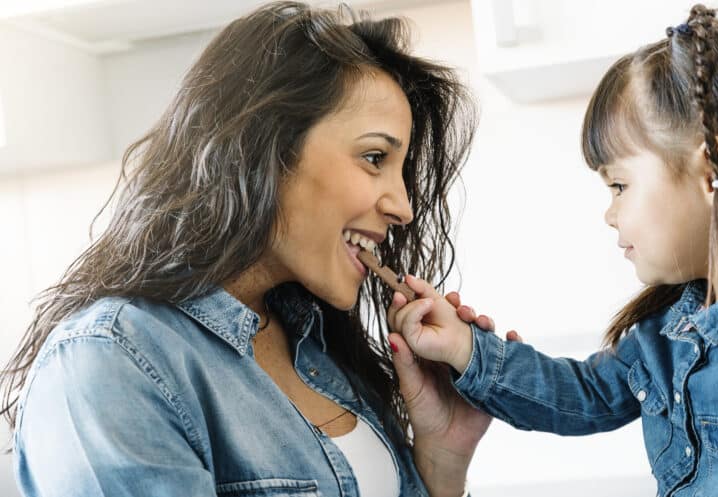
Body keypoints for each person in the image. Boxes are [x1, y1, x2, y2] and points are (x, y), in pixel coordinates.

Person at [1, 2, 493, 496]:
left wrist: (442, 458)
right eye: (374, 157)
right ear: (268, 151)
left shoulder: (318, 346)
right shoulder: (109, 360)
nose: (404, 207)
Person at [388, 5, 718, 497]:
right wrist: (465, 350)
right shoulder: (659, 335)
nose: (610, 213)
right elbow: (583, 394)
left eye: (619, 185)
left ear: (717, 173)